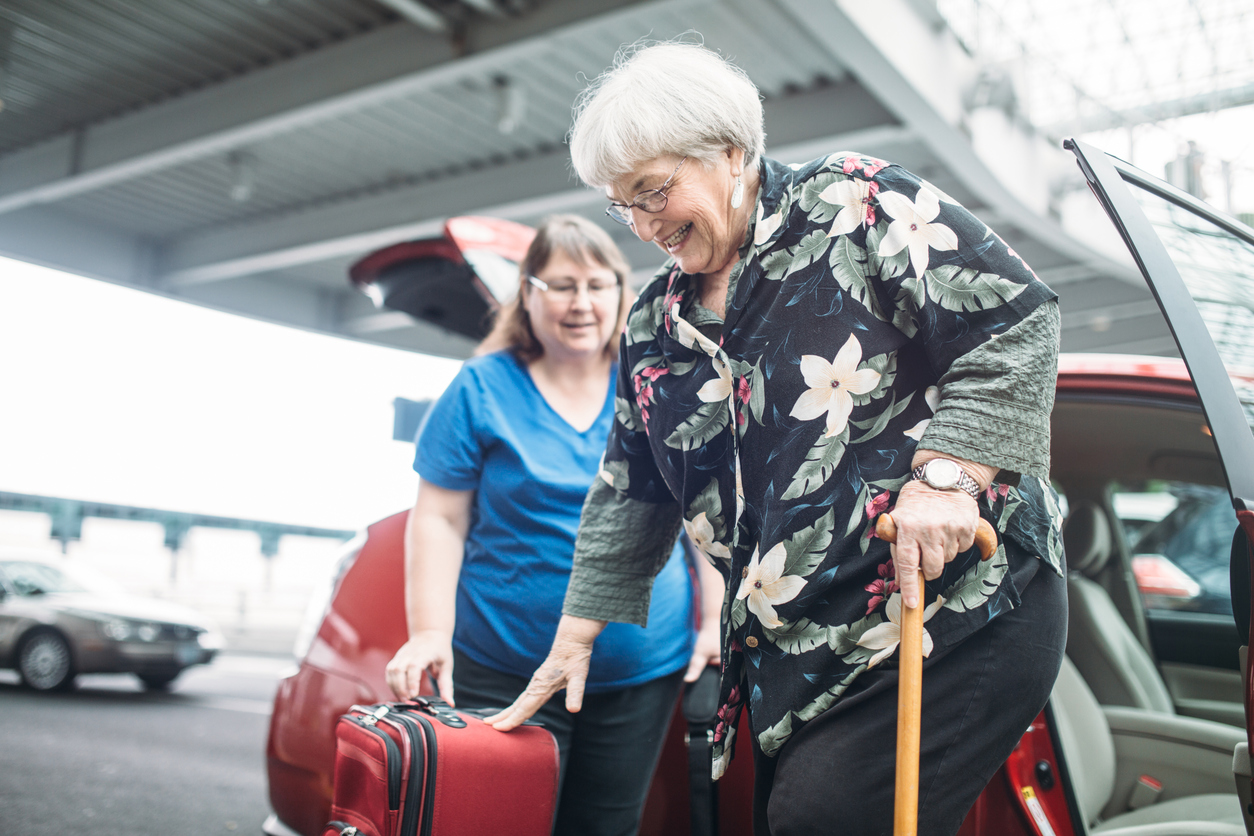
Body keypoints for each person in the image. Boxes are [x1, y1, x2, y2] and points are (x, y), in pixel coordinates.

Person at [484, 43, 1068, 836]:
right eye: (623, 205)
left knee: (819, 822)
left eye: (654, 190)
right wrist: (574, 636)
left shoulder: (855, 204)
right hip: (795, 655)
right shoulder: (656, 325)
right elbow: (630, 490)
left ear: (730, 153)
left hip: (948, 612)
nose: (644, 223)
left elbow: (1014, 324)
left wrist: (948, 479)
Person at [384, 214, 723, 836]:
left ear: (621, 294)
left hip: (639, 671)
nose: (581, 303)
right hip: (504, 663)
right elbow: (439, 518)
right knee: (501, 823)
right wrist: (429, 632)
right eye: (560, 286)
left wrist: (712, 621)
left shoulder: (655, 381)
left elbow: (703, 504)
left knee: (606, 828)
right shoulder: (482, 388)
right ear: (528, 295)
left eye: (597, 285)